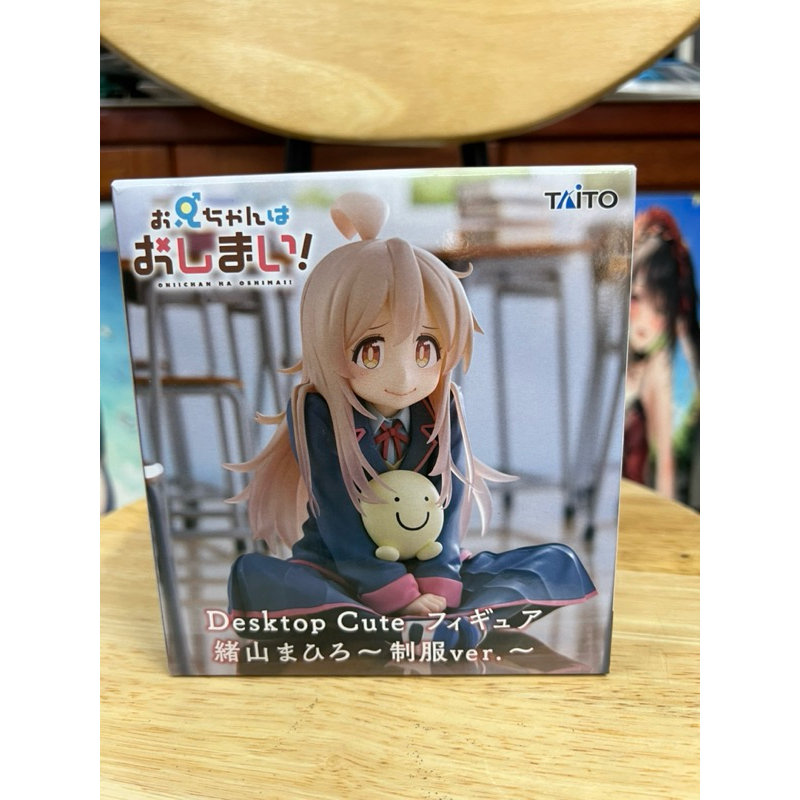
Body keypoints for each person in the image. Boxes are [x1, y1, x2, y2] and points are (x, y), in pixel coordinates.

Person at [227, 191, 596, 654]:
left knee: (557, 561)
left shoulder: (443, 407)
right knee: (254, 578)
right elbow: (339, 514)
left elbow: (450, 497)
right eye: (372, 351)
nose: (403, 378)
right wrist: (395, 595)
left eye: (425, 349)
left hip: (429, 564)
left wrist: (439, 583)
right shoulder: (317, 411)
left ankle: (429, 623)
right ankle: (403, 626)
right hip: (339, 567)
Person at [624, 207, 700, 499]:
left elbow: (665, 462)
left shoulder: (658, 365)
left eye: (658, 309)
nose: (644, 320)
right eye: (636, 298)